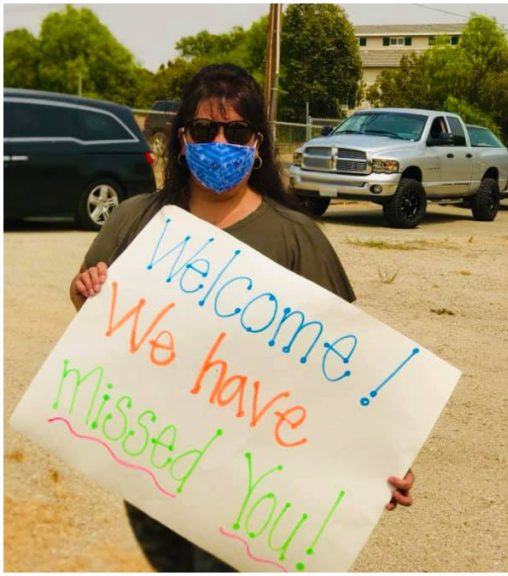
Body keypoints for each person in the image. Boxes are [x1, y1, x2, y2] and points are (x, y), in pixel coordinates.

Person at [69, 64, 414, 572]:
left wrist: (379, 460)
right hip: (153, 455)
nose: (220, 142)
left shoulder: (297, 236)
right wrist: (86, 291)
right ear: (183, 138)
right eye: (206, 130)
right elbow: (94, 309)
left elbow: (344, 363)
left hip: (250, 480)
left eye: (237, 131)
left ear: (258, 144)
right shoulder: (137, 218)